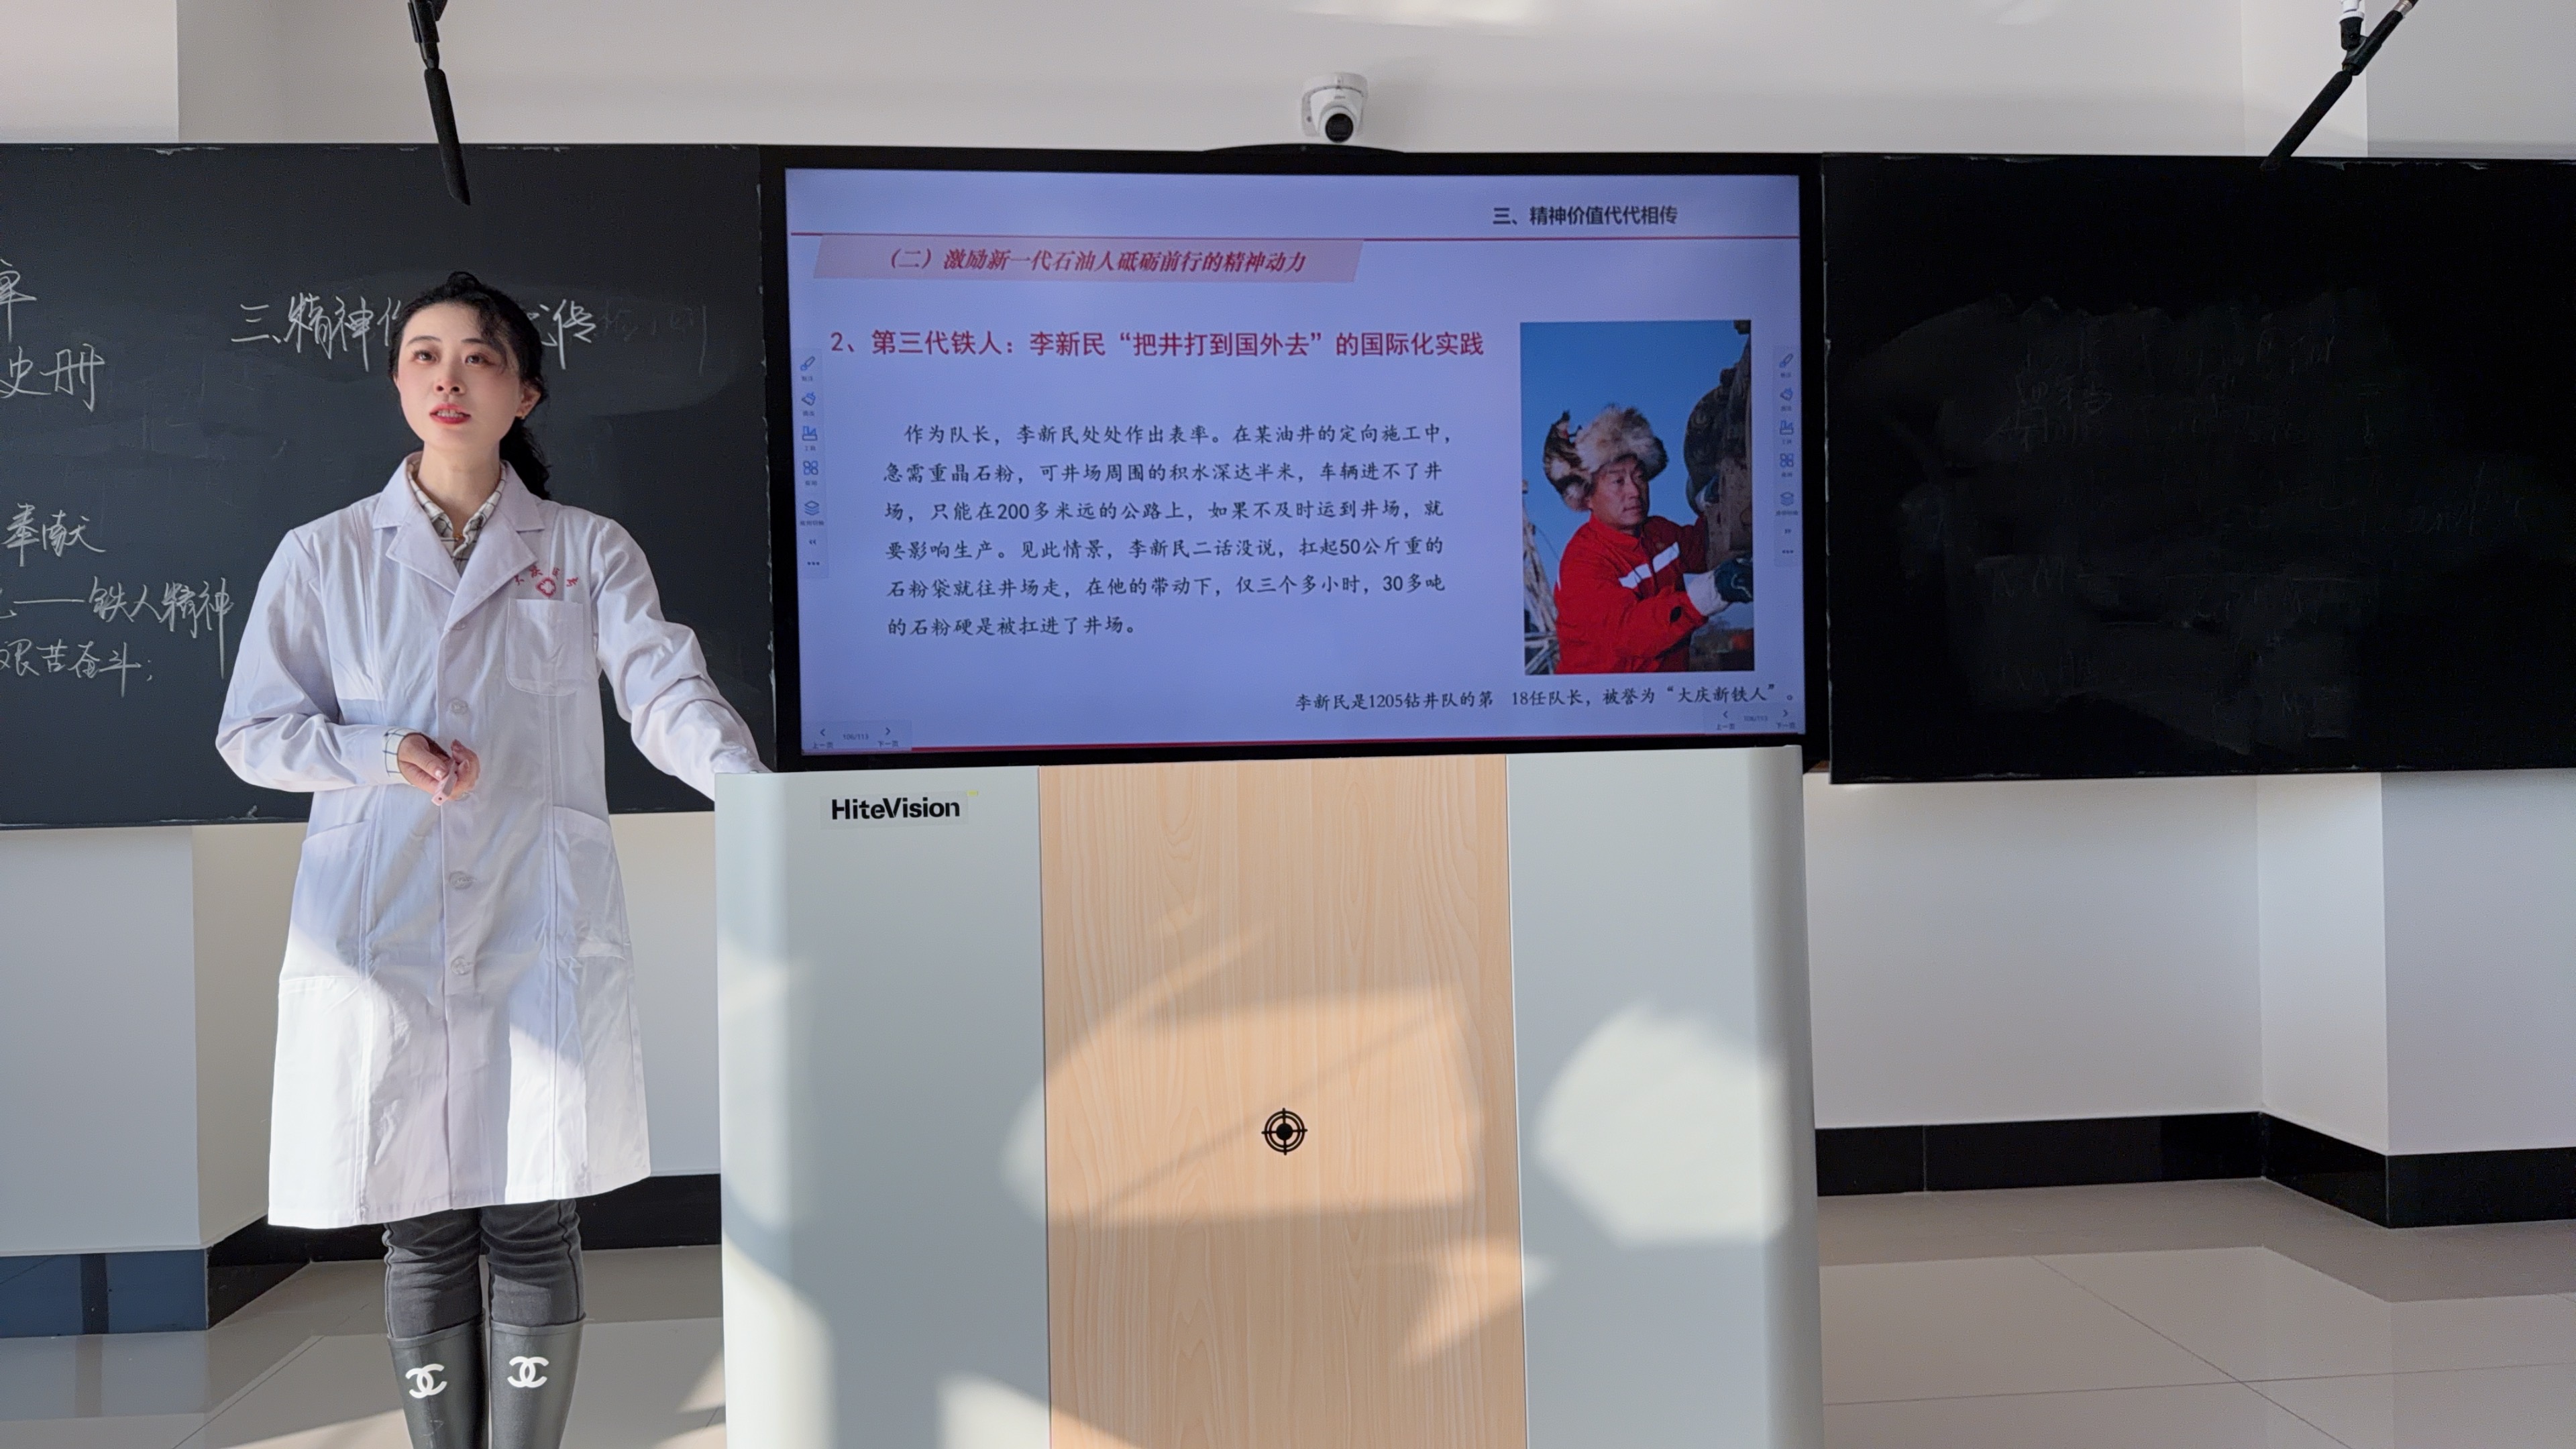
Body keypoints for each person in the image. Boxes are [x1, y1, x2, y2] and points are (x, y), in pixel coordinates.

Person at [215, 272, 765, 1449]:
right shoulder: (324, 556)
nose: (448, 378)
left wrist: (747, 789)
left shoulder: (586, 550)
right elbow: (253, 734)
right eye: (423, 355)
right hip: (382, 929)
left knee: (532, 1210)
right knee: (416, 1217)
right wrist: (380, 752)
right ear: (397, 384)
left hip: (534, 919)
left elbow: (663, 689)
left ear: (525, 393)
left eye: (478, 357)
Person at [1543, 405, 1725, 674]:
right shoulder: (1582, 564)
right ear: (1588, 496)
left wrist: (1715, 502)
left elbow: (1709, 548)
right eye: (1618, 481)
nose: (1634, 492)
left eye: (1639, 477)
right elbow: (1630, 632)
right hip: (1602, 697)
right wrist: (1705, 596)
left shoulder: (1660, 534)